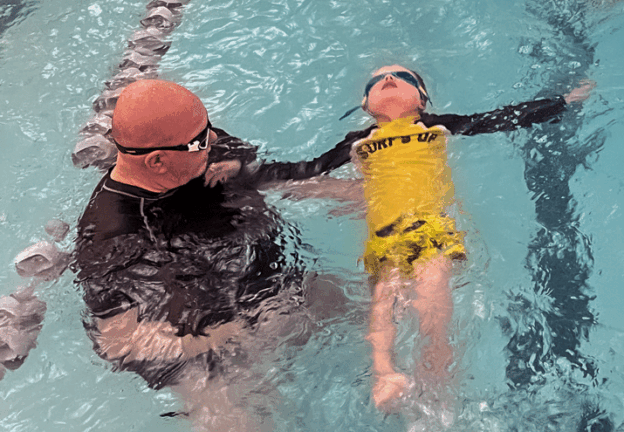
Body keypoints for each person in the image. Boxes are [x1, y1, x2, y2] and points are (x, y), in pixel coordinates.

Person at [72, 79, 355, 431]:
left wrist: (358, 195)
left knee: (344, 296)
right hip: (208, 349)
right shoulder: (110, 234)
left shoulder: (192, 152)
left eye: (207, 128)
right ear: (157, 161)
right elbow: (118, 340)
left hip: (269, 292)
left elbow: (267, 176)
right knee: (229, 415)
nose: (216, 140)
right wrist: (212, 339)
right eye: (201, 139)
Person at [323, 65, 595, 409]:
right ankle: (384, 375)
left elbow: (499, 118)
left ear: (422, 100)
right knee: (383, 302)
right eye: (377, 82)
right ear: (366, 105)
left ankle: (438, 381)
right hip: (384, 237)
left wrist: (562, 102)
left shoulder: (437, 126)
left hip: (430, 230)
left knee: (432, 297)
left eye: (403, 78)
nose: (388, 80)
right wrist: (247, 173)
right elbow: (302, 170)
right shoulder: (356, 143)